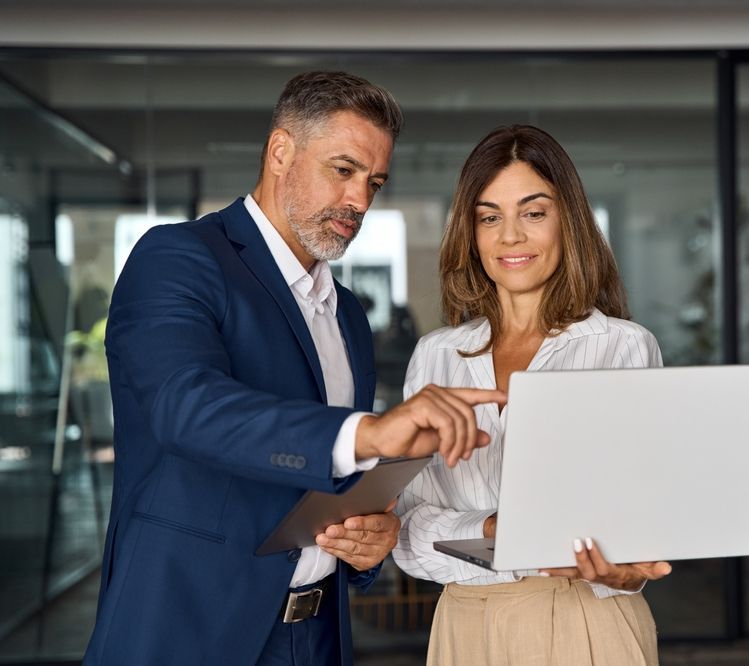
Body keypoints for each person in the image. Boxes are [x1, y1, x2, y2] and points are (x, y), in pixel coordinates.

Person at [83, 71, 504, 666]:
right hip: (186, 632)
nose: (360, 200)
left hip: (316, 637)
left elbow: (330, 489)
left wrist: (368, 544)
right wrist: (369, 432)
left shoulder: (348, 315)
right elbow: (185, 406)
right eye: (344, 169)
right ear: (281, 151)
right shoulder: (178, 258)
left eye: (374, 182)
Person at [393, 125, 672, 665]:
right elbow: (407, 534)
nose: (510, 236)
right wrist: (494, 530)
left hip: (587, 620)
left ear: (568, 222)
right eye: (489, 216)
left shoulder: (622, 348)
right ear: (470, 234)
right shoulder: (436, 356)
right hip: (464, 626)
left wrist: (624, 571)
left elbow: (644, 524)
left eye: (534, 213)